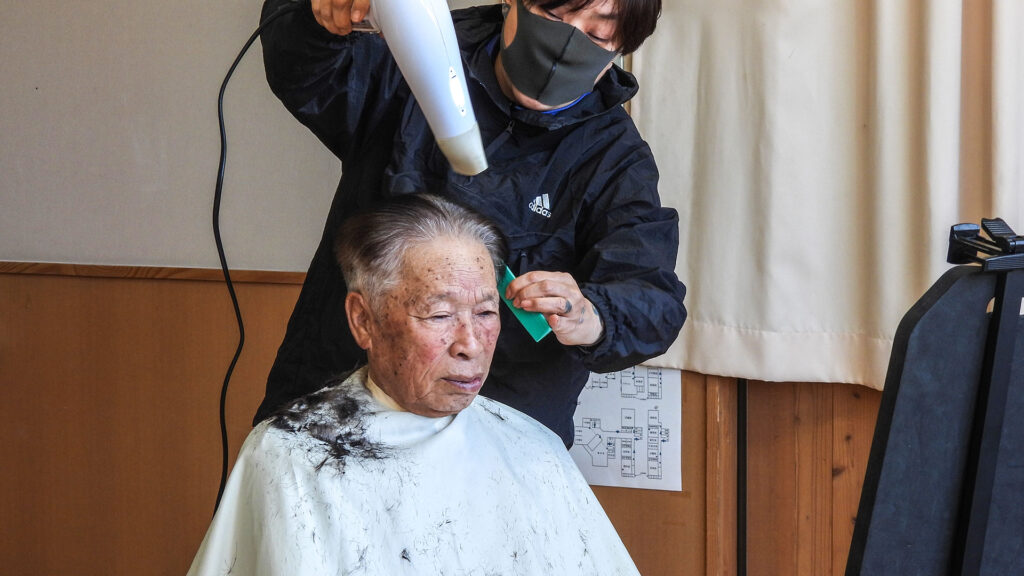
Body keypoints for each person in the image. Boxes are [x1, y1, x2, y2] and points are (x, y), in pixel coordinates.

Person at [255, 0, 687, 447]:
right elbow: (305, 69)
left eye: (598, 36)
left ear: (622, 47)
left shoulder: (613, 159)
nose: (565, 46)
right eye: (554, 19)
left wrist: (590, 315)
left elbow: (651, 298)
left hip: (502, 431)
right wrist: (318, 16)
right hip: (338, 398)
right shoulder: (410, 60)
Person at [188, 195, 641, 575]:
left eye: (485, 314)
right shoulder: (295, 455)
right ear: (363, 320)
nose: (470, 345)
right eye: (439, 315)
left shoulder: (535, 449)